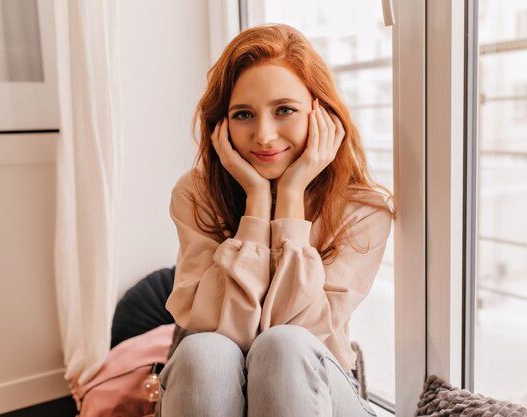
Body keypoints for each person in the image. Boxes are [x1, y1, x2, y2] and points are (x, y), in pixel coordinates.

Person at [159, 23, 394, 417]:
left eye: (284, 110)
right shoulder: (196, 194)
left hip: (321, 393)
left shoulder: (363, 210)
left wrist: (290, 196)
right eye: (243, 114)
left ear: (322, 116)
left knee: (283, 346)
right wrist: (255, 204)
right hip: (215, 386)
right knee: (204, 352)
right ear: (222, 124)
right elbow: (219, 329)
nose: (264, 135)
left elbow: (303, 332)